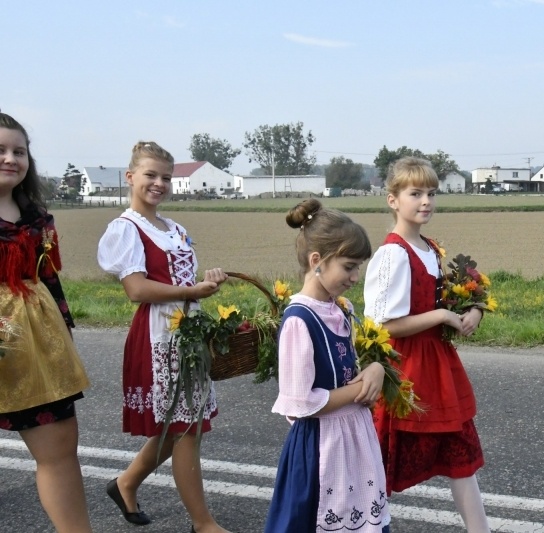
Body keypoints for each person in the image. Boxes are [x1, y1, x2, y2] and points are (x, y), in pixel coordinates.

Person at [97, 141, 231, 533]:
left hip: (186, 330)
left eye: (166, 178)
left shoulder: (173, 228)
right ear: (130, 177)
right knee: (185, 430)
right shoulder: (125, 229)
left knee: (179, 426)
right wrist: (191, 293)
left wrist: (206, 283)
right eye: (150, 175)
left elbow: (183, 281)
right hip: (159, 335)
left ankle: (125, 484)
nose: (159, 183)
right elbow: (137, 290)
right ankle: (202, 522)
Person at [363, 156, 490, 532]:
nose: (426, 202)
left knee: (460, 451)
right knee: (382, 455)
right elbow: (381, 324)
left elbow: (448, 299)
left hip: (437, 363)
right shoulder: (392, 254)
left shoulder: (430, 248)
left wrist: (473, 310)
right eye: (415, 193)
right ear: (392, 199)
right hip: (405, 367)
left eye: (431, 193)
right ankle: (357, 523)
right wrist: (441, 317)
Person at [264, 198, 391, 533]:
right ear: (317, 261)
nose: (354, 277)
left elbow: (356, 364)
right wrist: (356, 392)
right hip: (322, 447)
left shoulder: (340, 309)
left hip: (353, 438)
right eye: (349, 266)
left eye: (357, 268)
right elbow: (301, 402)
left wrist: (375, 369)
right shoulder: (299, 320)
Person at [0, 112, 92, 532]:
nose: (11, 158)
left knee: (58, 451)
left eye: (19, 151)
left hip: (38, 341)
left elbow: (49, 278)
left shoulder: (36, 216)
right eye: (0, 150)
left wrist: (65, 336)